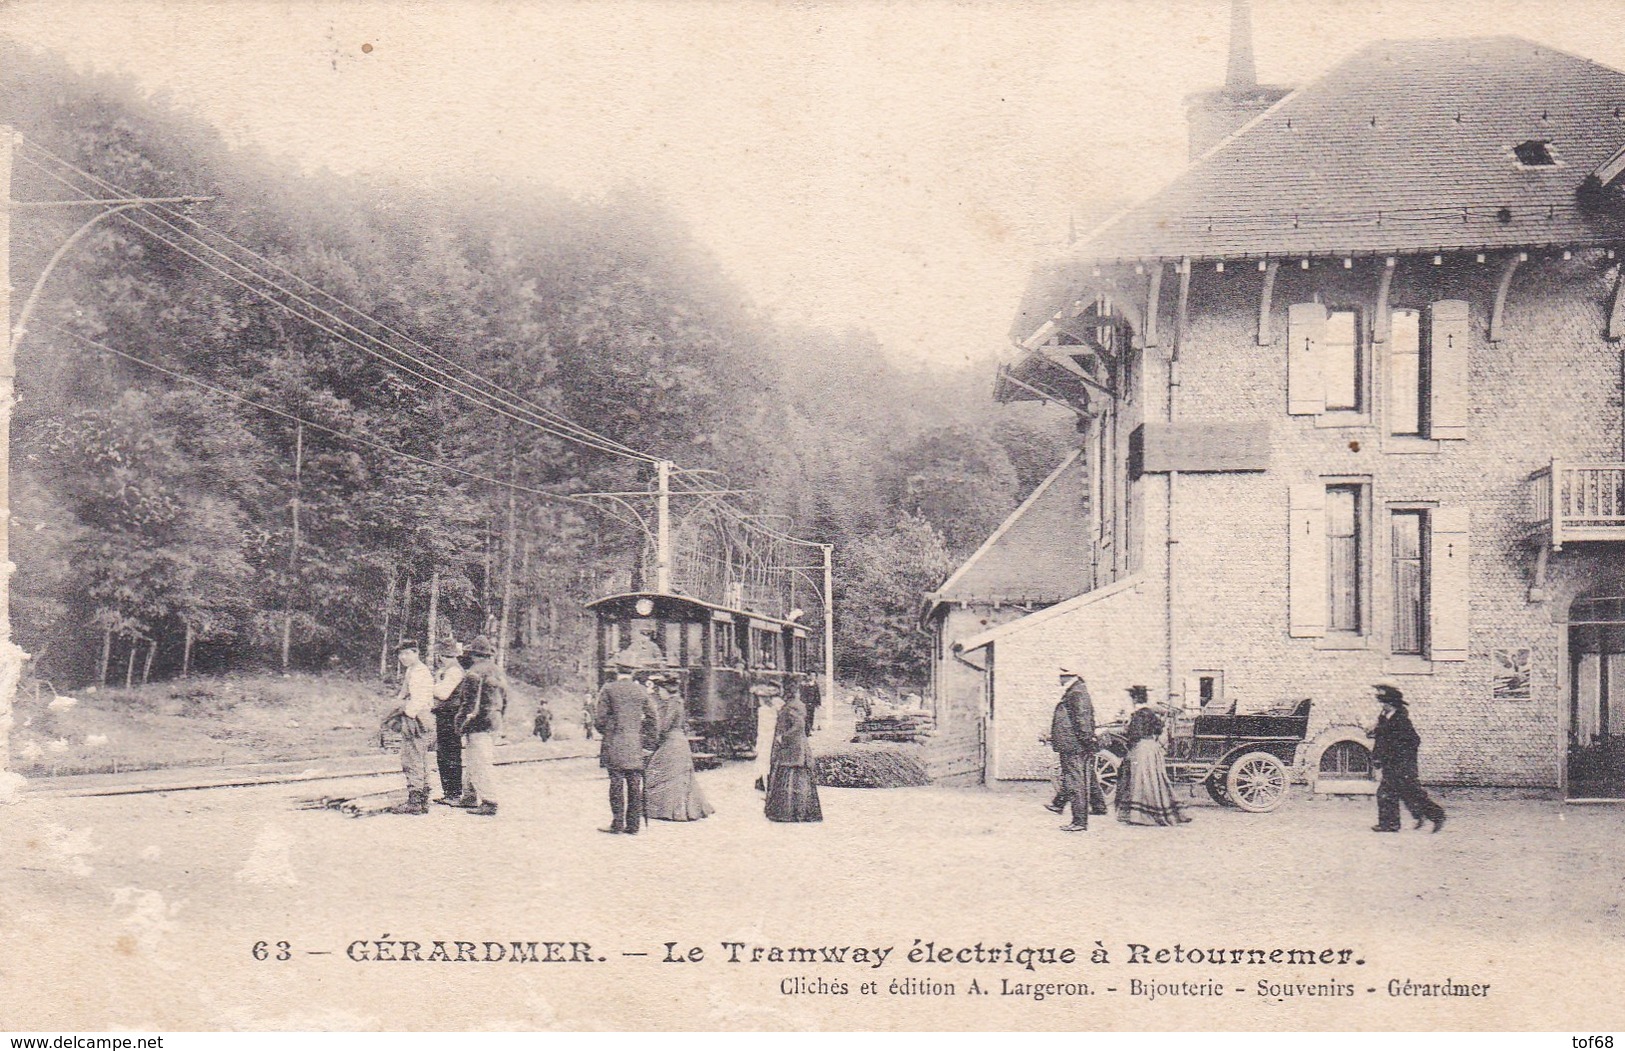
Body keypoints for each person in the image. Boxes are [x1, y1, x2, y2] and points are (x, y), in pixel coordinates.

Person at [1370, 683, 1446, 833]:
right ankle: (1391, 824)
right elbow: (1382, 738)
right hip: (1391, 763)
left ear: (1392, 704)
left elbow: (1414, 741)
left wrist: (1398, 756)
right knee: (1390, 793)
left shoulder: (1401, 721)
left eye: (1384, 702)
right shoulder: (1385, 718)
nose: (1381, 705)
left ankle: (1437, 816)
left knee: (1409, 793)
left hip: (1402, 765)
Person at [1115, 685, 1190, 827]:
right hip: (1152, 749)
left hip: (1142, 750)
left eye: (1132, 698)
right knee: (1154, 781)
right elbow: (1159, 727)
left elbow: (1134, 735)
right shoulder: (1150, 713)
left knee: (1140, 781)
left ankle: (1141, 815)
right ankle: (1156, 812)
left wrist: (1126, 733)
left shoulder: (1138, 714)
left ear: (1135, 699)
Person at [643, 673, 714, 822]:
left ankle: (668, 810)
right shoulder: (677, 702)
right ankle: (680, 810)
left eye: (660, 690)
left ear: (665, 690)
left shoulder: (672, 704)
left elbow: (663, 726)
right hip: (678, 742)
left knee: (658, 773)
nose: (658, 693)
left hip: (672, 743)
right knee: (678, 777)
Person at [596, 662, 656, 834]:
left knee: (616, 784)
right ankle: (633, 825)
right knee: (634, 784)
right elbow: (653, 718)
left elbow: (599, 719)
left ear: (616, 672)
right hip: (635, 745)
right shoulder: (641, 691)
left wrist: (609, 733)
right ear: (633, 673)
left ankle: (617, 824)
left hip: (614, 744)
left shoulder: (608, 689)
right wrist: (647, 743)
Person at [455, 636, 508, 817]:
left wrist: (459, 724)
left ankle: (489, 801)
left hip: (476, 722)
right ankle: (469, 795)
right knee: (476, 760)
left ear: (473, 655)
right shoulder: (498, 672)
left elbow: (468, 703)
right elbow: (505, 699)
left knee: (479, 762)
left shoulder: (473, 673)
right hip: (493, 721)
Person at [1044, 668, 1102, 832]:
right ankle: (1079, 815)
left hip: (1074, 746)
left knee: (1075, 783)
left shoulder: (1076, 692)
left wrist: (1086, 741)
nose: (1059, 679)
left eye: (1062, 676)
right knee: (1076, 780)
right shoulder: (1075, 690)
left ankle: (1079, 822)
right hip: (1073, 745)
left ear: (1069, 676)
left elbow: (1082, 720)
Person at [383, 641, 434, 816]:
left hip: (418, 716)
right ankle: (423, 798)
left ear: (416, 652)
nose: (403, 657)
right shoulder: (411, 670)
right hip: (415, 714)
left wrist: (404, 713)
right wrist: (395, 706)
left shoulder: (420, 672)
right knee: (419, 756)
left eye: (407, 653)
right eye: (400, 654)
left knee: (411, 757)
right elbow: (403, 693)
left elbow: (420, 699)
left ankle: (415, 801)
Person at [765, 691, 821, 822]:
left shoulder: (791, 707)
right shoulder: (796, 704)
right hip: (796, 750)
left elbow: (799, 725)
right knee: (797, 780)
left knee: (789, 779)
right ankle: (798, 813)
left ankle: (789, 813)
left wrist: (783, 737)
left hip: (792, 750)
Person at [430, 642, 468, 806]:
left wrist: (430, 685)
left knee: (449, 753)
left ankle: (453, 793)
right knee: (445, 753)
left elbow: (443, 694)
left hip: (450, 715)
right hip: (446, 715)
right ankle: (450, 792)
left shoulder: (453, 672)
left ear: (440, 655)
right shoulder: (450, 670)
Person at [753, 688, 783, 792]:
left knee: (763, 761)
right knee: (771, 761)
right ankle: (769, 783)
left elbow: (761, 729)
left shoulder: (762, 710)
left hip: (766, 739)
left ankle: (763, 783)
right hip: (774, 739)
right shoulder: (776, 709)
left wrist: (758, 745)